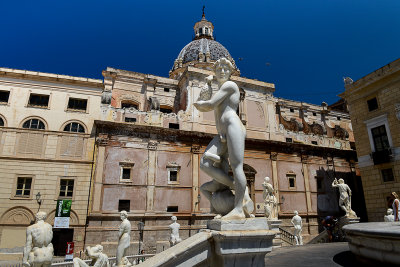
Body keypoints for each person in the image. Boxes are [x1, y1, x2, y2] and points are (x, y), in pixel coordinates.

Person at [194, 57, 253, 219]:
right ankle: (241, 189)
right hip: (223, 133)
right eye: (218, 69)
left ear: (230, 72)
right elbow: (217, 115)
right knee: (205, 164)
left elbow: (211, 104)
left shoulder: (229, 85)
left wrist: (198, 104)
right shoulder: (219, 88)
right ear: (214, 72)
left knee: (236, 166)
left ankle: (239, 210)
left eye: (225, 69)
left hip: (233, 126)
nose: (221, 71)